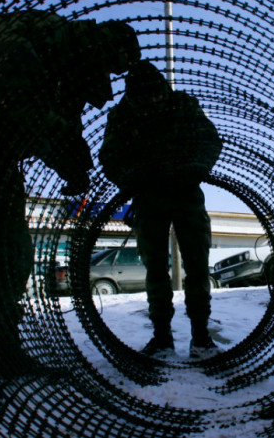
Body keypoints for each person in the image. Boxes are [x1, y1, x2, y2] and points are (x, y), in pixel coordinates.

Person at [0, 10, 140, 402]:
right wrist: (62, 149)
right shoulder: (35, 38)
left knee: (12, 253)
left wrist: (74, 157)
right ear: (98, 47)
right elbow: (6, 94)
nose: (107, 76)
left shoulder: (70, 67)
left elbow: (64, 122)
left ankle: (4, 353)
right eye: (109, 65)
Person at [99, 60, 222, 359]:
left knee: (196, 266)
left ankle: (201, 338)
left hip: (185, 190)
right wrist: (131, 178)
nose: (152, 101)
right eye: (144, 97)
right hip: (148, 196)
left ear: (162, 89)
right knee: (155, 270)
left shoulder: (182, 105)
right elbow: (109, 157)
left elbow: (209, 140)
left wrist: (198, 167)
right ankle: (162, 338)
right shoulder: (122, 115)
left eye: (155, 94)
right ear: (133, 95)